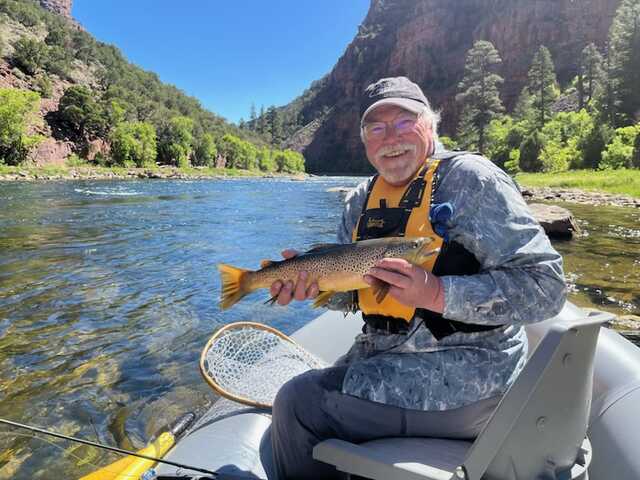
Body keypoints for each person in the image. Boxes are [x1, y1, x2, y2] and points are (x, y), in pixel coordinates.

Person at [268, 76, 566, 480]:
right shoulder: (359, 200)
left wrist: (439, 292)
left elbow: (547, 288)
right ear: (365, 140)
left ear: (431, 125)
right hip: (382, 360)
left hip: (471, 376)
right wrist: (312, 288)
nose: (391, 138)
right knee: (311, 391)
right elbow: (355, 296)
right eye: (377, 127)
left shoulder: (472, 181)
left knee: (296, 402)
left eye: (404, 122)